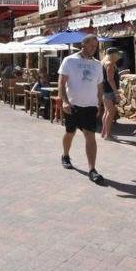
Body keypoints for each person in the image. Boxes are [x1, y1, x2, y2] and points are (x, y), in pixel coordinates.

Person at [58, 34, 106, 184]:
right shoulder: (69, 60)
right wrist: (65, 102)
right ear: (83, 45)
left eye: (96, 46)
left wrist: (99, 104)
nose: (94, 49)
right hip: (73, 105)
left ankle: (92, 170)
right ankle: (65, 155)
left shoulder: (98, 64)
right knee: (69, 133)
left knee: (90, 136)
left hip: (90, 106)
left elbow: (99, 87)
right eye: (92, 45)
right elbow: (61, 83)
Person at [100, 48, 122, 141]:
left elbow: (110, 76)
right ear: (113, 55)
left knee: (107, 112)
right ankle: (108, 135)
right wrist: (116, 93)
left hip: (105, 90)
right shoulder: (110, 63)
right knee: (111, 112)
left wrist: (121, 73)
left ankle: (104, 132)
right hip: (109, 91)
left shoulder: (105, 62)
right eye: (118, 54)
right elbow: (110, 79)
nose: (119, 56)